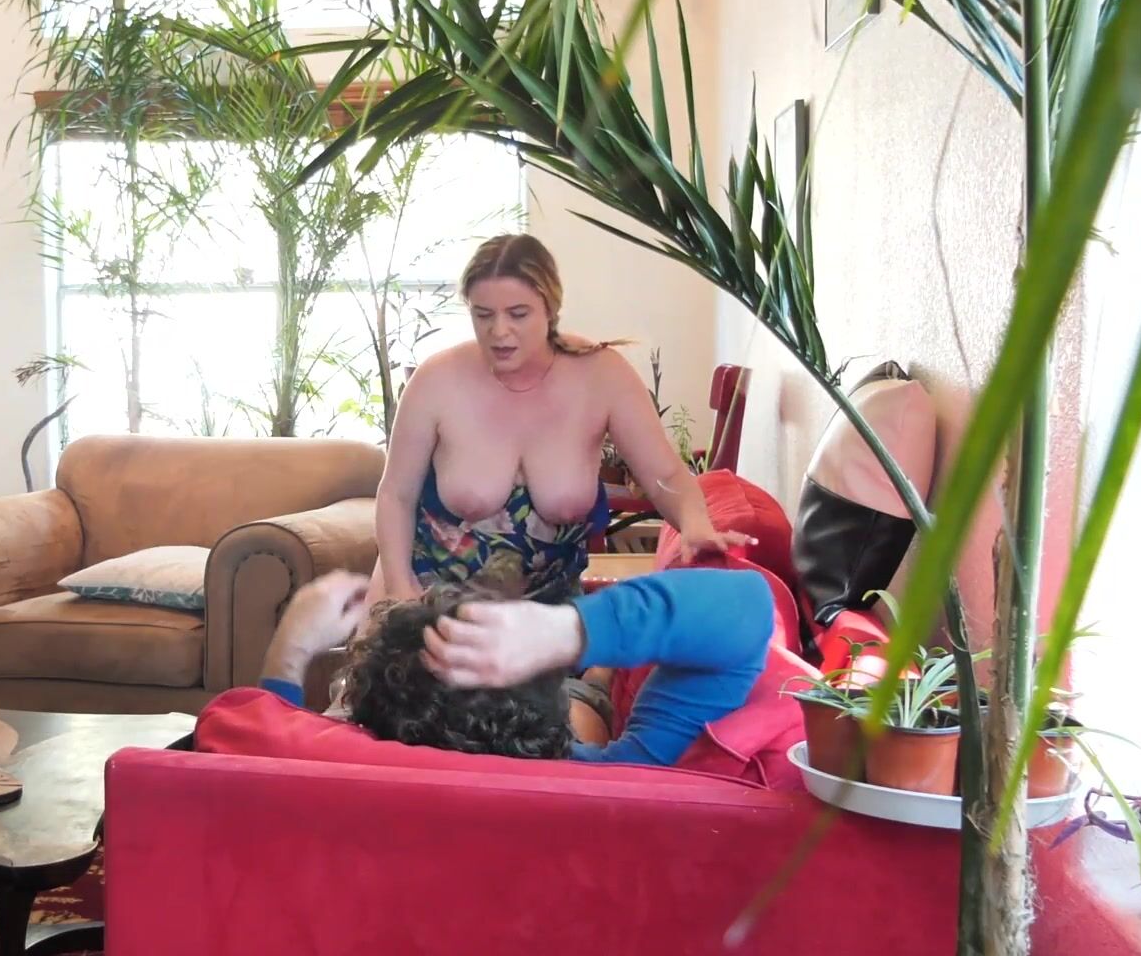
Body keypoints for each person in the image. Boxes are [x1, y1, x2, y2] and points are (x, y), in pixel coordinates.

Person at [370, 233, 753, 605]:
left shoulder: (602, 374)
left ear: (551, 308)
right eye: (482, 314)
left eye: (518, 314)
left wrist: (694, 522)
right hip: (431, 598)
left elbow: (664, 474)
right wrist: (399, 589)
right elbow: (395, 495)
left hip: (548, 615)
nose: (499, 331)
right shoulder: (436, 379)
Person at [261, 569, 772, 765]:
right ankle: (595, 676)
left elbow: (250, 736)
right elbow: (749, 605)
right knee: (593, 695)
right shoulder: (633, 774)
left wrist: (290, 649)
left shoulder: (336, 766)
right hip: (579, 725)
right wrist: (567, 631)